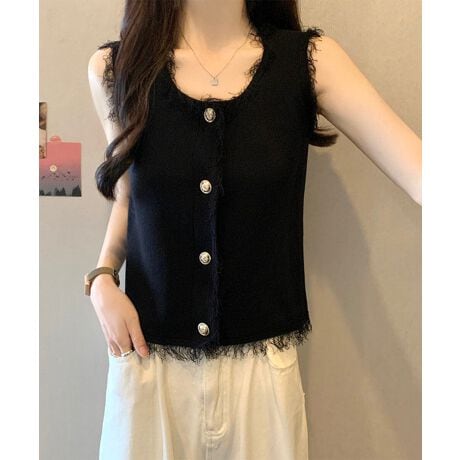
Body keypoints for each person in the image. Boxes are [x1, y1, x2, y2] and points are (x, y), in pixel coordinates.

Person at [86, 1, 422, 459]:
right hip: (149, 364)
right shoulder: (115, 68)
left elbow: (423, 176)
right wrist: (102, 278)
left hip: (262, 376)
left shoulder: (308, 62)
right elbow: (130, 198)